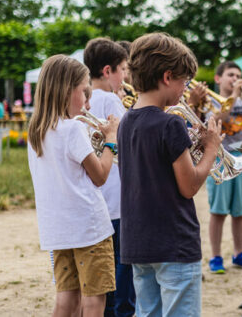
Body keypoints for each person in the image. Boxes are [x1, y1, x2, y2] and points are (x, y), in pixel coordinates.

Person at [118, 33, 222, 316]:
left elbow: (155, 169)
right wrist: (211, 147)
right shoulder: (170, 124)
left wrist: (195, 146)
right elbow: (188, 186)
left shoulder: (126, 121)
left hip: (139, 242)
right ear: (167, 76)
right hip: (173, 242)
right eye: (183, 82)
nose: (185, 91)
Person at [27, 55, 120, 317]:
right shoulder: (72, 129)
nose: (88, 103)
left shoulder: (36, 130)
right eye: (84, 92)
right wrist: (110, 140)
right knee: (93, 302)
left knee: (66, 298)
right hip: (89, 228)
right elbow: (101, 176)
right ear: (67, 90)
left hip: (58, 230)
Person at [83, 37, 135, 317]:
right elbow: (130, 145)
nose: (125, 76)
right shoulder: (111, 101)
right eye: (123, 69)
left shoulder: (86, 99)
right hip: (116, 199)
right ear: (107, 71)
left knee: (103, 273)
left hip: (97, 197)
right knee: (122, 270)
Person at [204, 61, 242, 274]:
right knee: (218, 211)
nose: (235, 78)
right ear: (218, 79)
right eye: (230, 75)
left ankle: (239, 253)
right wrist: (234, 96)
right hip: (220, 159)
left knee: (239, 211)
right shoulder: (210, 100)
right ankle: (216, 256)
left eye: (238, 75)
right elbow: (219, 120)